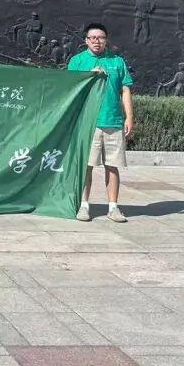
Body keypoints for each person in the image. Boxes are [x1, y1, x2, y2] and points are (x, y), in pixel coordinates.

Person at [67, 22, 134, 223]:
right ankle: (83, 205)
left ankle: (113, 207)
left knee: (112, 166)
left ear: (106, 40)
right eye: (93, 38)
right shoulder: (77, 62)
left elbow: (125, 90)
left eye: (101, 38)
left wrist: (129, 117)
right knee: (86, 165)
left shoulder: (117, 62)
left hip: (113, 121)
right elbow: (70, 90)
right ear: (86, 40)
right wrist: (90, 76)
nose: (97, 41)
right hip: (88, 121)